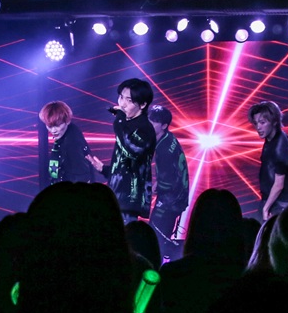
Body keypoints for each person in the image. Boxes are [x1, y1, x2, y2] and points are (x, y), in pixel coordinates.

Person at [87, 78, 157, 223]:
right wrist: (104, 169)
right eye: (121, 97)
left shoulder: (144, 128)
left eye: (129, 100)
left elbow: (131, 151)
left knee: (124, 235)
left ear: (143, 104)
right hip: (117, 197)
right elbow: (127, 166)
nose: (122, 104)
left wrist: (119, 119)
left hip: (129, 199)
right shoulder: (128, 125)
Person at [248, 100, 288, 221]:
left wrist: (266, 208)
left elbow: (279, 184)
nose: (258, 127)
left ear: (274, 121)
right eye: (256, 123)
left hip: (283, 203)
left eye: (262, 122)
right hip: (273, 200)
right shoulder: (271, 139)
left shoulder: (280, 146)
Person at [146, 104, 189, 260]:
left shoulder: (164, 150)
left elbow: (168, 183)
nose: (149, 124)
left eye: (154, 122)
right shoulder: (168, 138)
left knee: (155, 236)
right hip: (178, 194)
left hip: (171, 200)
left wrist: (151, 190)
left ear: (164, 126)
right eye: (149, 120)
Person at [38, 100, 94, 186]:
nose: (53, 130)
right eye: (49, 126)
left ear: (67, 121)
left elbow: (82, 178)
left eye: (57, 125)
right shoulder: (64, 138)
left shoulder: (72, 144)